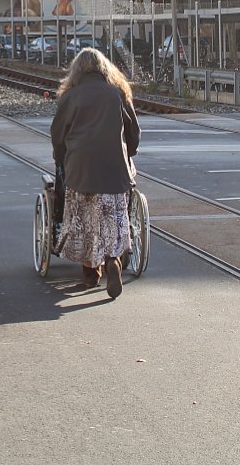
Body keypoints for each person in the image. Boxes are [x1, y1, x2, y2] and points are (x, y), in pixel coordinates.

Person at [50, 47, 140, 299]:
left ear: (76, 71)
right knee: (113, 216)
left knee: (84, 220)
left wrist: (61, 160)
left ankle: (91, 272)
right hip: (115, 172)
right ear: (105, 69)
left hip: (81, 170)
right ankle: (113, 259)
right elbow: (133, 132)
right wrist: (128, 155)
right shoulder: (118, 93)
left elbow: (58, 135)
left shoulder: (71, 97)